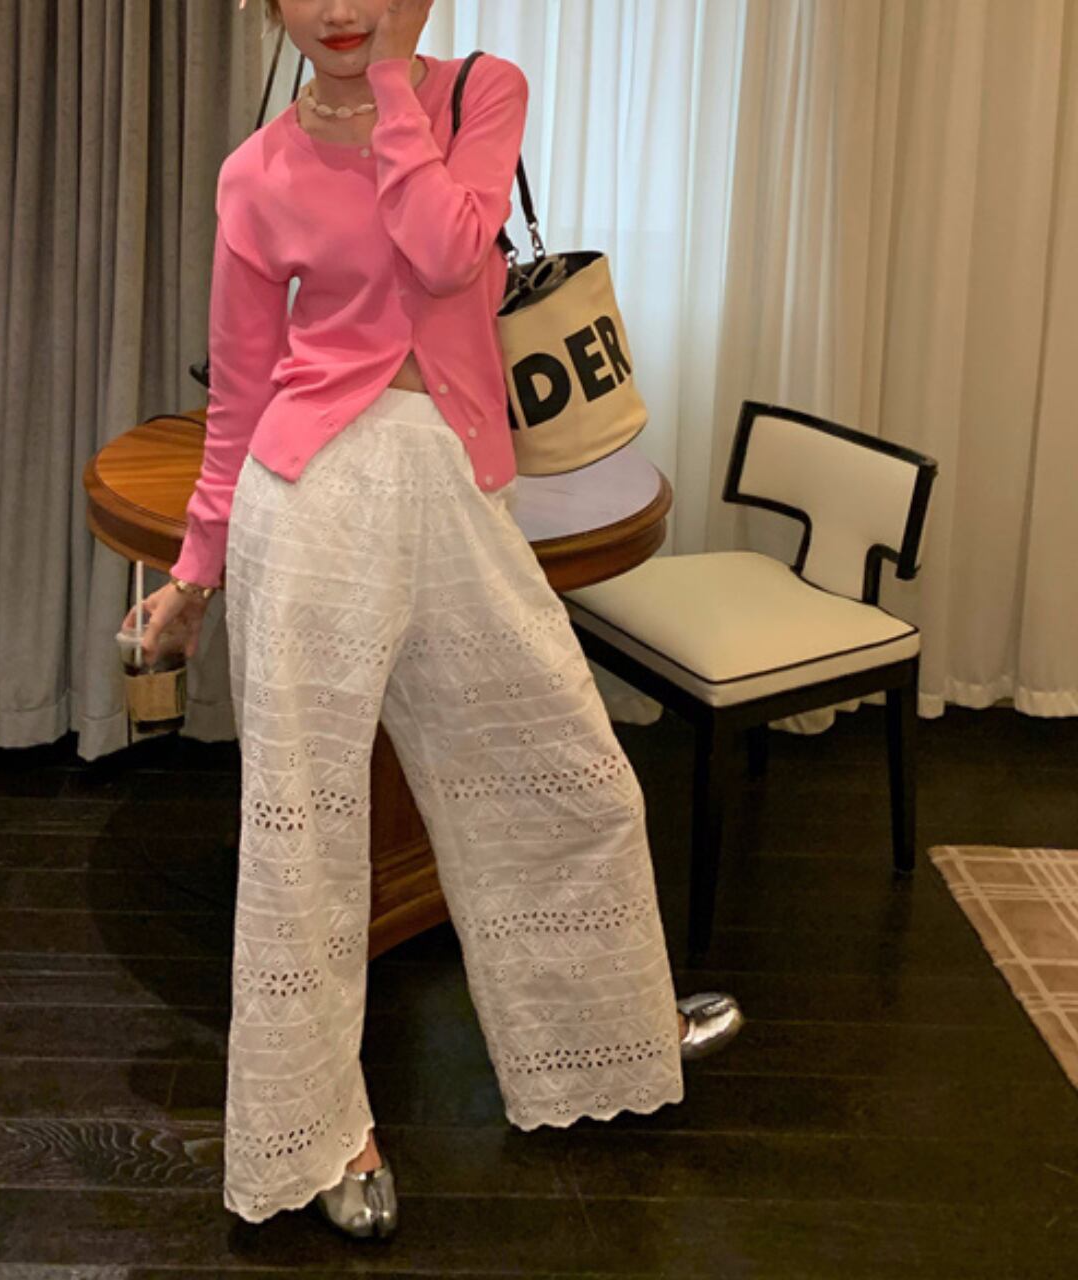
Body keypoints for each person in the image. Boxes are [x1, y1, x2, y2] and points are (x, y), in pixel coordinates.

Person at [124, 0, 744, 1241]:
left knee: (573, 768)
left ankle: (610, 1027)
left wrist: (392, 98)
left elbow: (450, 250)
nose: (339, 9)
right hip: (310, 499)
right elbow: (239, 392)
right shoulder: (256, 171)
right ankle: (321, 1133)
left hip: (455, 490)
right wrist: (195, 573)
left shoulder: (477, 93)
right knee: (303, 832)